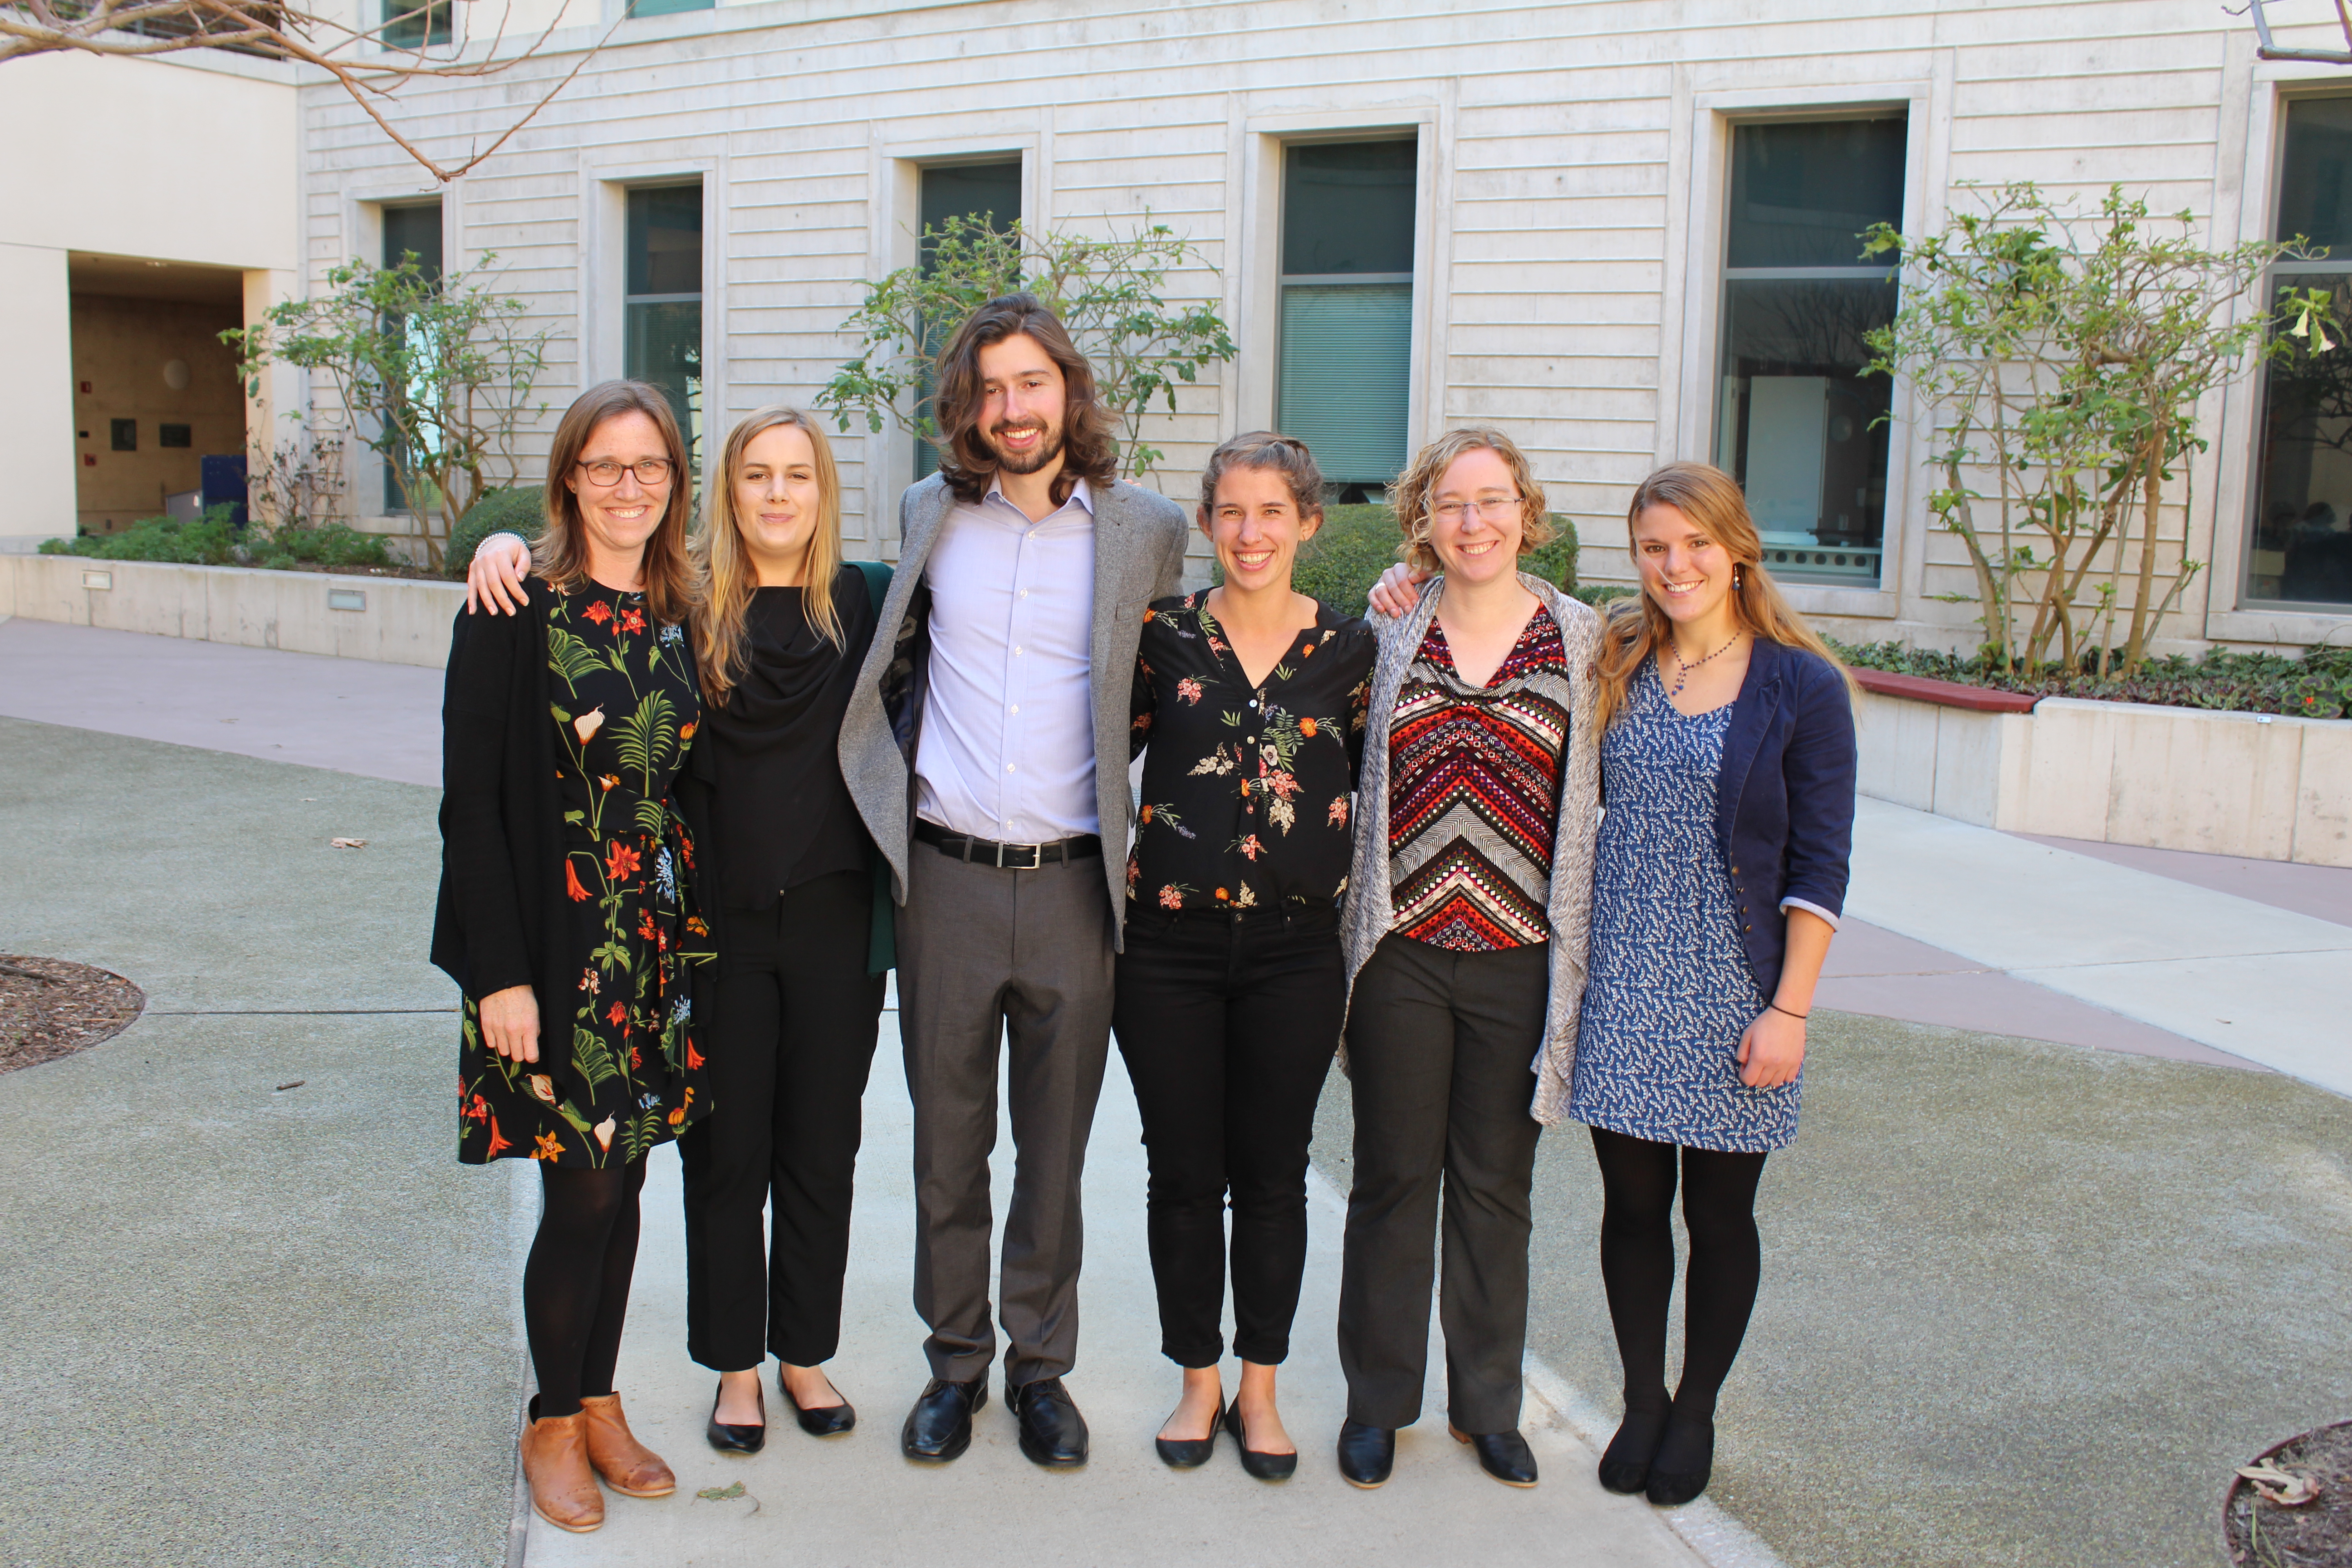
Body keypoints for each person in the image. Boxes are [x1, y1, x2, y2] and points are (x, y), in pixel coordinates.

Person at [467, 409, 892, 1457]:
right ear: (726, 491)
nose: (780, 494)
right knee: (706, 1160)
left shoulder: (865, 601)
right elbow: (481, 792)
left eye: (800, 474)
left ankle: (788, 1355)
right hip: (688, 935)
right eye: (758, 474)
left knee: (806, 1152)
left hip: (780, 931)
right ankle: (713, 1376)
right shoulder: (691, 604)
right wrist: (503, 541)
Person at [838, 294, 1188, 1468]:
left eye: (1030, 383)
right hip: (944, 879)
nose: (1011, 408)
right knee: (947, 1143)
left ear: (1068, 391)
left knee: (1054, 1148)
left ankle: (1042, 1371)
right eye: (990, 390)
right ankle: (955, 1367)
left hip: (1078, 884)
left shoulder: (1144, 528)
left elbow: (1198, 662)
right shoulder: (930, 514)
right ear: (966, 410)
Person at [432, 379, 708, 1535]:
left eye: (649, 467)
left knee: (630, 1178)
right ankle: (551, 1422)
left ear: (673, 485)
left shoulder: (686, 608)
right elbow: (471, 804)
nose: (628, 487)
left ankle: (599, 1399)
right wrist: (498, 976)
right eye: (605, 466)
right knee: (582, 1193)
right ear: (570, 480)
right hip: (554, 955)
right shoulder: (514, 607)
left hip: (651, 949)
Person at [1568, 461, 1856, 1508]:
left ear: (1735, 547)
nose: (1675, 565)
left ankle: (1696, 1409)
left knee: (1720, 1217)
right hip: (1628, 976)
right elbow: (1490, 619)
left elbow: (1822, 863)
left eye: (1694, 543)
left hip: (1738, 988)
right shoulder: (1614, 656)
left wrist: (1791, 1011)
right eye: (1655, 547)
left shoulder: (1801, 684)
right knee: (1632, 1206)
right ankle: (1642, 1399)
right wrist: (1399, 585)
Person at [1333, 427, 1603, 1491]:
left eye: (1493, 502)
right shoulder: (1390, 628)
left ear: (1526, 514)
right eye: (1452, 504)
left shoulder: (1584, 640)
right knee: (1393, 1181)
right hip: (1401, 950)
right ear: (1424, 520)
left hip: (1519, 958)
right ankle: (1377, 1404)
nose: (1474, 522)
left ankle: (1486, 1406)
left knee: (1496, 1186)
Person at [1116, 432, 1374, 1481]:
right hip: (1166, 951)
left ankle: (1261, 1390)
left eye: (1273, 512)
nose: (1250, 533)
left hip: (1295, 953)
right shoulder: (1162, 636)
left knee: (1272, 1176)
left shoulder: (1358, 651)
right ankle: (1197, 1380)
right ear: (1208, 522)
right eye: (1231, 512)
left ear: (1309, 523)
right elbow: (1087, 741)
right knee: (1181, 1174)